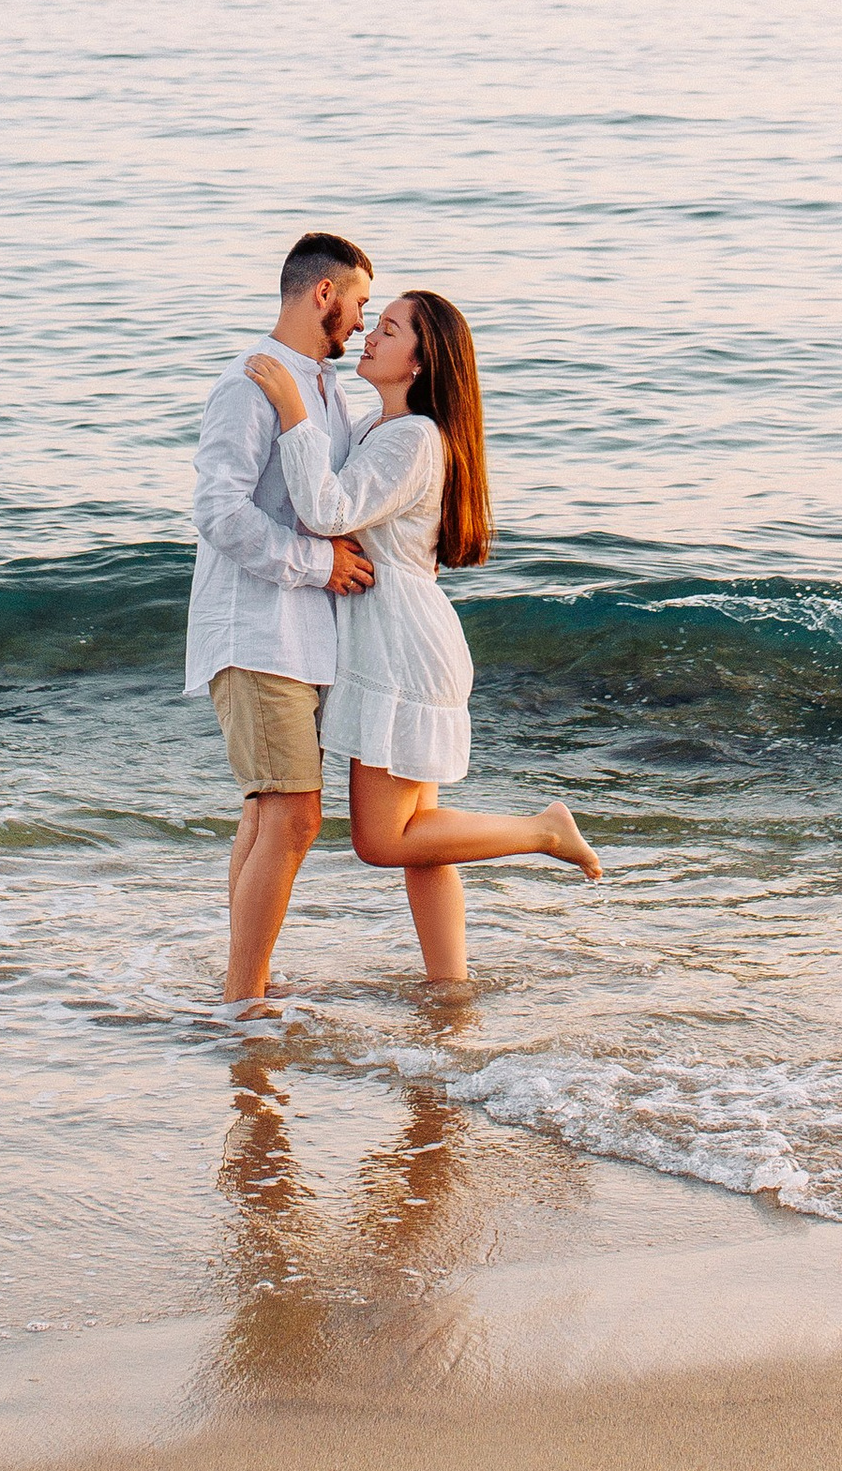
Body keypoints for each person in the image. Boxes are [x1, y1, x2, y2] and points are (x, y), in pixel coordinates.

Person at [244, 287, 601, 982]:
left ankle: (543, 830)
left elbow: (327, 509)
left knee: (383, 841)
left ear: (420, 361)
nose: (371, 337)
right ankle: (450, 987)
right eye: (374, 324)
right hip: (406, 639)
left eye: (390, 329)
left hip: (401, 647)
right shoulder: (394, 431)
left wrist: (292, 410)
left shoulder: (411, 438)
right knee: (421, 843)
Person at [186, 230, 380, 1004]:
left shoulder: (326, 389)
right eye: (360, 303)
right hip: (257, 630)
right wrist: (320, 565)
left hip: (303, 639)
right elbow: (218, 511)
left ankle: (243, 986)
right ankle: (244, 999)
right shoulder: (250, 381)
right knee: (295, 816)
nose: (364, 323)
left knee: (271, 813)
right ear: (322, 295)